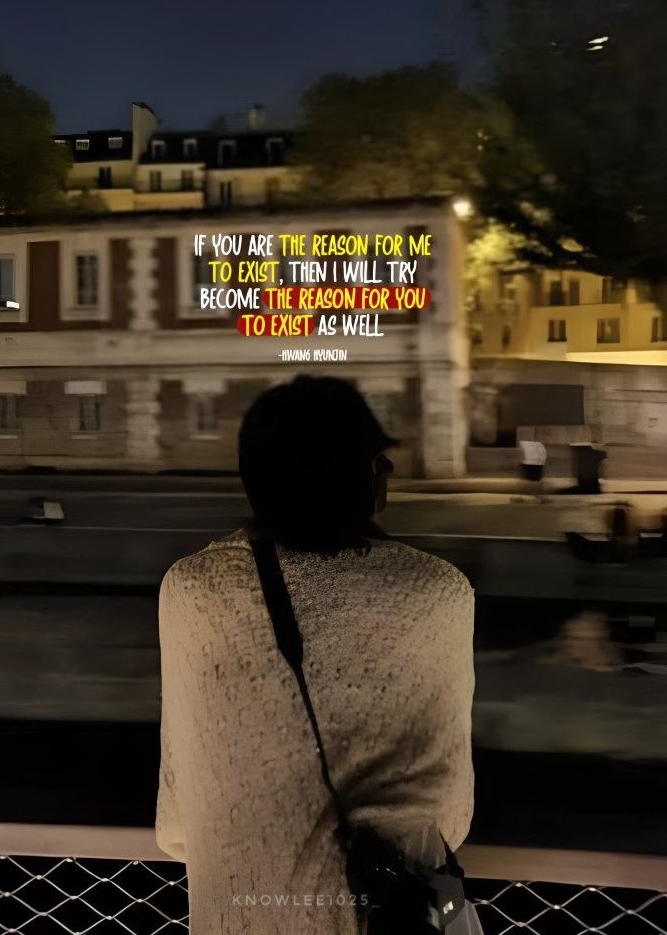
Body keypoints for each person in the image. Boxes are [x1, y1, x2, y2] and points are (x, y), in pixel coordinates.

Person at [156, 375, 475, 933]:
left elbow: (178, 825)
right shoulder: (438, 593)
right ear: (365, 479)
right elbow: (449, 814)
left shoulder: (191, 591)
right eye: (378, 461)